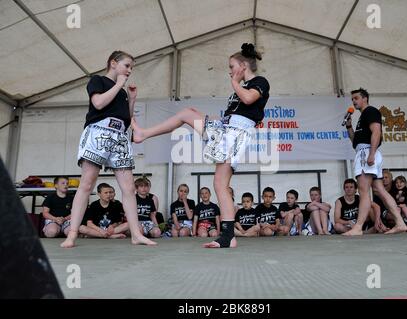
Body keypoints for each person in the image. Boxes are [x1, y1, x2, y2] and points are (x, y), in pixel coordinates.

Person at [132, 43, 270, 248]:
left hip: (237, 133)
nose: (230, 71)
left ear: (243, 66)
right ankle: (229, 236)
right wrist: (205, 117)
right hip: (228, 128)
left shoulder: (259, 82)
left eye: (232, 67)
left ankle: (228, 236)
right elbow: (234, 114)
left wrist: (234, 81)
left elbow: (249, 99)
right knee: (187, 113)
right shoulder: (239, 88)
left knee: (220, 185)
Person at [61, 50, 156, 248]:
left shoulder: (121, 91)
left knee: (129, 188)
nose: (129, 70)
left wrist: (131, 99)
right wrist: (119, 84)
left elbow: (127, 120)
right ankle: (72, 234)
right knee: (86, 184)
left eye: (131, 67)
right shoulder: (97, 81)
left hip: (119, 136)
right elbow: (98, 103)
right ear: (113, 63)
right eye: (127, 65)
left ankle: (136, 234)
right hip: (98, 132)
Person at [344, 88, 407, 236]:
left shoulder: (370, 111)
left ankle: (358, 227)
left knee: (364, 190)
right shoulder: (362, 117)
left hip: (367, 153)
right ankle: (400, 223)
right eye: (352, 99)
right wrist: (349, 126)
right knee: (379, 190)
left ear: (365, 98)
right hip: (364, 151)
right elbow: (355, 141)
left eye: (356, 98)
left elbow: (377, 131)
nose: (354, 101)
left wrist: (371, 153)